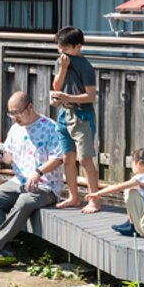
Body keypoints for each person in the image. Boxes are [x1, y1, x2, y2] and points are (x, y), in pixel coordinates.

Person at [0, 90, 66, 266]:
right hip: (20, 181)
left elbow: (58, 158)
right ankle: (5, 251)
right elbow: (10, 158)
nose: (14, 117)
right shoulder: (16, 128)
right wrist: (0, 156)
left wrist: (38, 173)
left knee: (24, 202)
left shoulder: (50, 127)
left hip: (46, 186)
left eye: (17, 112)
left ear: (30, 107)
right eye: (11, 113)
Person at [49, 26, 100, 209]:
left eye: (66, 49)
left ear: (78, 46)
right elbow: (57, 84)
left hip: (82, 115)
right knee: (67, 157)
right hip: (64, 113)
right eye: (60, 49)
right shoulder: (61, 62)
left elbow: (91, 96)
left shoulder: (86, 66)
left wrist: (67, 97)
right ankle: (73, 197)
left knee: (85, 159)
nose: (62, 53)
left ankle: (94, 199)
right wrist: (62, 69)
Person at [81, 147, 144, 240]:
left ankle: (132, 226)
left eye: (132, 162)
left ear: (139, 164)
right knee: (138, 191)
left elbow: (119, 187)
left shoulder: (143, 178)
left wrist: (97, 193)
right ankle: (132, 223)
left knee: (130, 191)